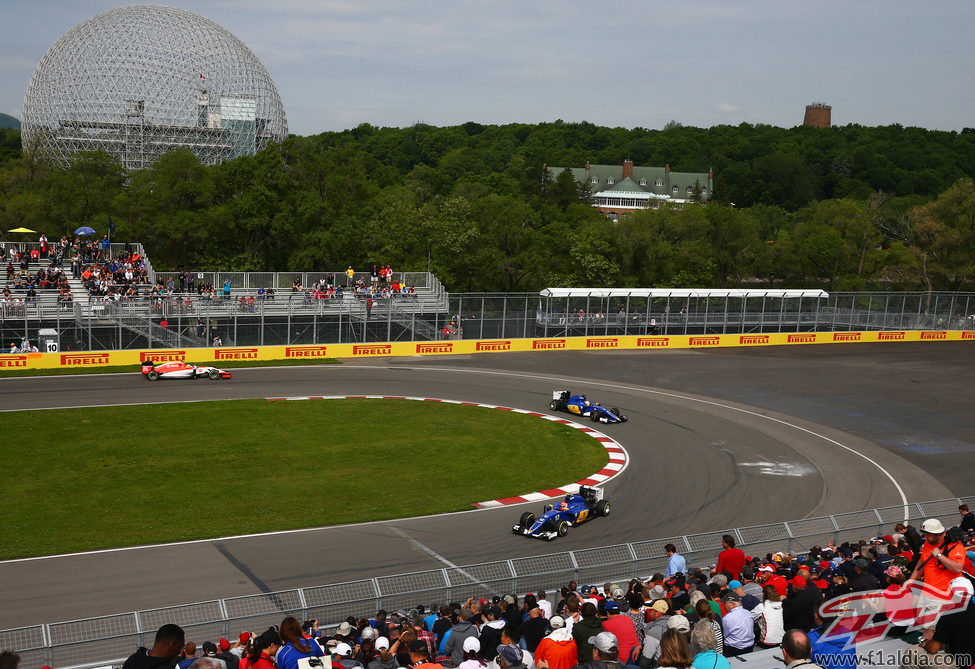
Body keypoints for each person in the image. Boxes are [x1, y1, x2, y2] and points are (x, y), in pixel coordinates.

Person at [750, 585, 784, 649]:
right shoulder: (781, 605)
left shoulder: (762, 606)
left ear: (764, 594)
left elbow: (749, 617)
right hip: (781, 639)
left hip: (767, 641)